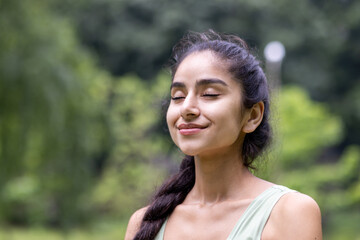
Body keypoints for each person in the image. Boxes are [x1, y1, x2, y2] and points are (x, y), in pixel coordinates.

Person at [125, 30, 322, 240]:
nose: (187, 108)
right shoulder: (143, 224)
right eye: (178, 96)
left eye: (209, 94)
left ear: (252, 116)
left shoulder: (288, 213)